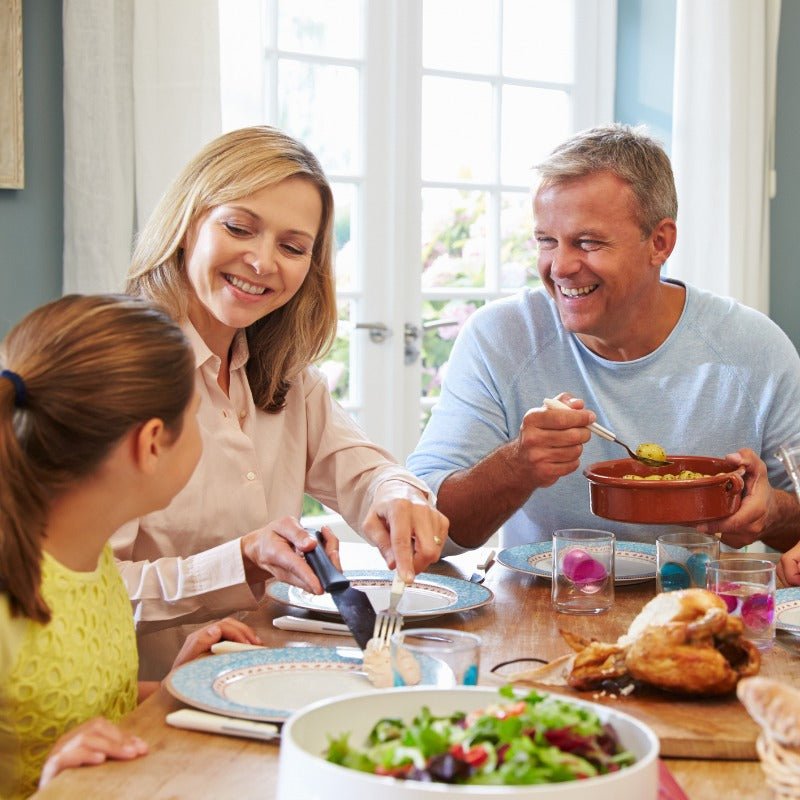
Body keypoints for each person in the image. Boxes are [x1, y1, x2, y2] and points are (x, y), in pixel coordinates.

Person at [116, 126, 449, 678]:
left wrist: (397, 494)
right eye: (239, 228)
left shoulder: (286, 376)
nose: (262, 261)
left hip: (264, 680)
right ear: (186, 223)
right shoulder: (118, 376)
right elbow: (75, 595)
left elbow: (366, 471)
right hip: (144, 711)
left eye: (293, 247)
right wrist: (239, 561)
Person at [407, 123, 800, 562]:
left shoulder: (756, 350)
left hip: (702, 615)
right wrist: (517, 465)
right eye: (546, 241)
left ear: (660, 242)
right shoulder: (499, 338)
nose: (559, 267)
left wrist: (771, 514)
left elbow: (794, 518)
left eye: (588, 242)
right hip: (541, 614)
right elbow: (425, 524)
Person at [0, 294, 261, 798]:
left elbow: (82, 715)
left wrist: (170, 690)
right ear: (153, 442)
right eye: (197, 419)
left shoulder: (91, 558)